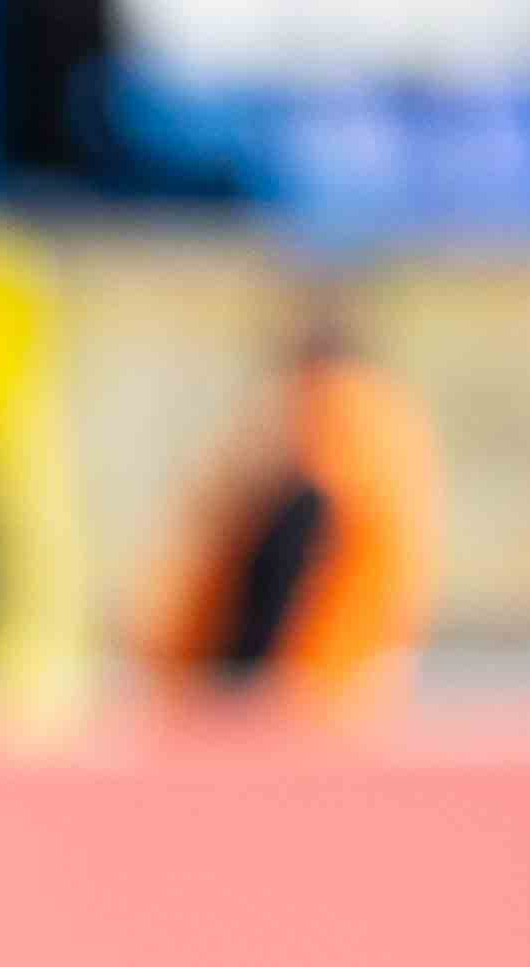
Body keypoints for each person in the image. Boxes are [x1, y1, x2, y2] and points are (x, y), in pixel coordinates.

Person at [141, 289, 436, 707]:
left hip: (297, 680)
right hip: (345, 673)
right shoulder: (391, 424)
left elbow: (296, 550)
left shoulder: (327, 424)